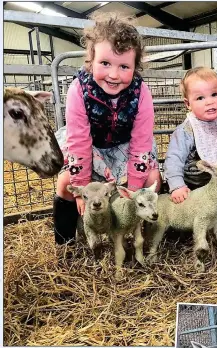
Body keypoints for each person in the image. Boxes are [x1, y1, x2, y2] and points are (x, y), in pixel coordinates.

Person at [53, 13, 161, 245]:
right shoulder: (78, 90)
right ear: (90, 60)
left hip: (126, 147)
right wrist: (81, 189)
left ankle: (145, 234)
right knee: (64, 184)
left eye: (124, 66)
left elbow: (141, 142)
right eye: (105, 63)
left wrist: (132, 193)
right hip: (90, 149)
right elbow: (79, 141)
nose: (113, 74)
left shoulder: (140, 93)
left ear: (135, 66)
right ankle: (65, 243)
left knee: (152, 177)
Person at [163, 67, 217, 231]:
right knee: (189, 211)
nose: (209, 101)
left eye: (215, 94)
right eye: (200, 98)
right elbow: (173, 159)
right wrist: (177, 186)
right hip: (193, 185)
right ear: (188, 104)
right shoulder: (188, 130)